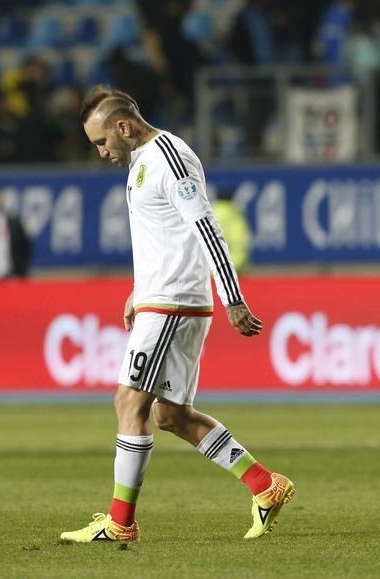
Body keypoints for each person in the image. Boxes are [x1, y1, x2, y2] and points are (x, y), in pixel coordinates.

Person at [60, 87, 295, 543]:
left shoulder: (169, 157)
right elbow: (162, 235)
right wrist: (136, 289)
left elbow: (206, 227)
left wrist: (233, 298)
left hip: (174, 302)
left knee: (129, 402)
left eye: (102, 142)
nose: (102, 153)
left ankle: (120, 522)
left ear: (123, 126)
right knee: (170, 415)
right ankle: (265, 485)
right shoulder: (139, 162)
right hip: (161, 297)